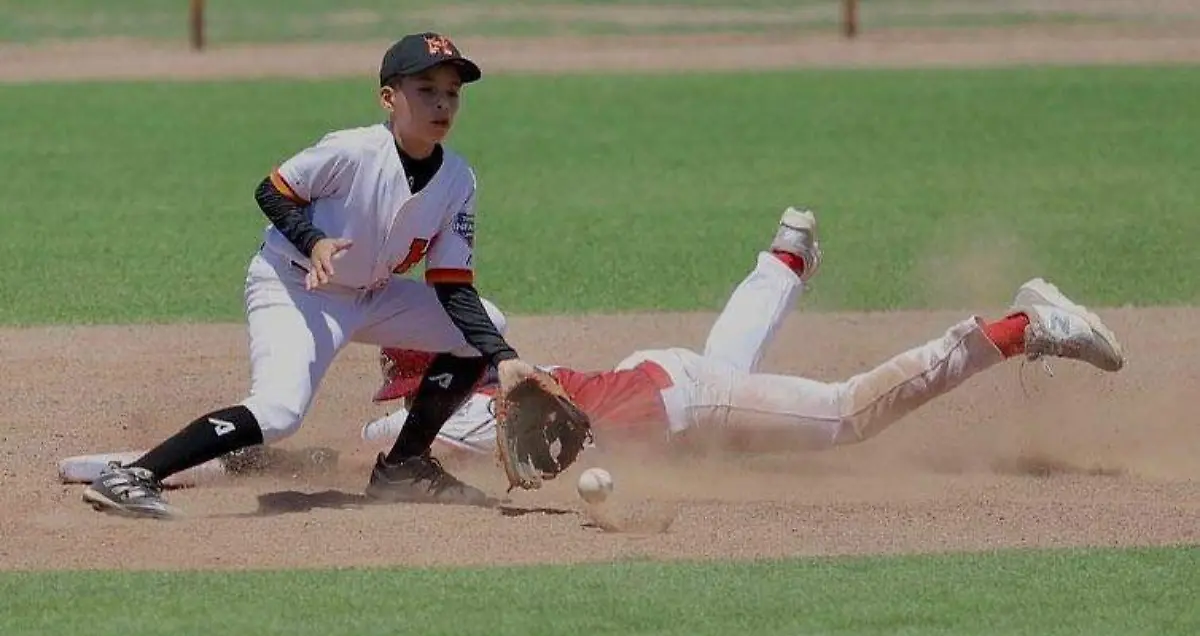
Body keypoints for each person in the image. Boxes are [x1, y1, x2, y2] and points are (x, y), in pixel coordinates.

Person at [81, 32, 541, 519]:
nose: (442, 103)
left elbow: (451, 284)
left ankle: (404, 466)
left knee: (487, 324)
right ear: (389, 97)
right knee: (279, 412)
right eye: (426, 89)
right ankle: (130, 476)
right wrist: (314, 241)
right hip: (296, 287)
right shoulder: (353, 150)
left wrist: (504, 359)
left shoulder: (458, 179)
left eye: (452, 91)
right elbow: (273, 190)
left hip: (371, 296)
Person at [359, 206, 1125, 458]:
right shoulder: (474, 377)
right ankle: (785, 258)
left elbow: (394, 442)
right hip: (659, 386)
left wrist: (267, 461)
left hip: (675, 402)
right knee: (724, 364)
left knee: (845, 413)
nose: (398, 375)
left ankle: (1024, 325)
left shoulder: (422, 414)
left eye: (404, 363)